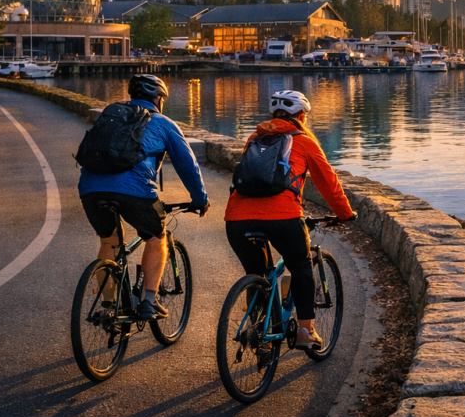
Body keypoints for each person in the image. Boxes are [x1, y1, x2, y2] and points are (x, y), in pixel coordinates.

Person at [224, 89, 356, 349]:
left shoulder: (254, 138)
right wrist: (345, 214)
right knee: (301, 267)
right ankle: (306, 331)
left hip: (237, 219)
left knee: (256, 272)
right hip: (283, 216)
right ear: (301, 116)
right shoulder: (304, 141)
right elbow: (328, 183)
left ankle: (259, 330)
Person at [79, 74, 210, 321]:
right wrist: (199, 198)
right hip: (134, 189)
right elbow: (187, 165)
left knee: (109, 241)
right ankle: (149, 301)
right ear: (159, 98)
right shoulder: (163, 122)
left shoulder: (111, 116)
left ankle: (109, 305)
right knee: (156, 235)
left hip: (90, 187)